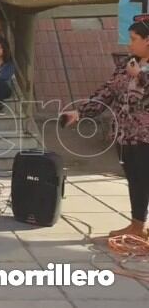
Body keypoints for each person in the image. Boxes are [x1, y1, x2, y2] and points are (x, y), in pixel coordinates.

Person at [63, 22, 149, 240]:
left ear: (147, 40)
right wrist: (81, 112)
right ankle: (137, 225)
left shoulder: (138, 70)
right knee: (135, 178)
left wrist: (140, 76)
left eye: (133, 39)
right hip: (126, 134)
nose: (129, 44)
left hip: (146, 135)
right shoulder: (125, 64)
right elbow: (108, 91)